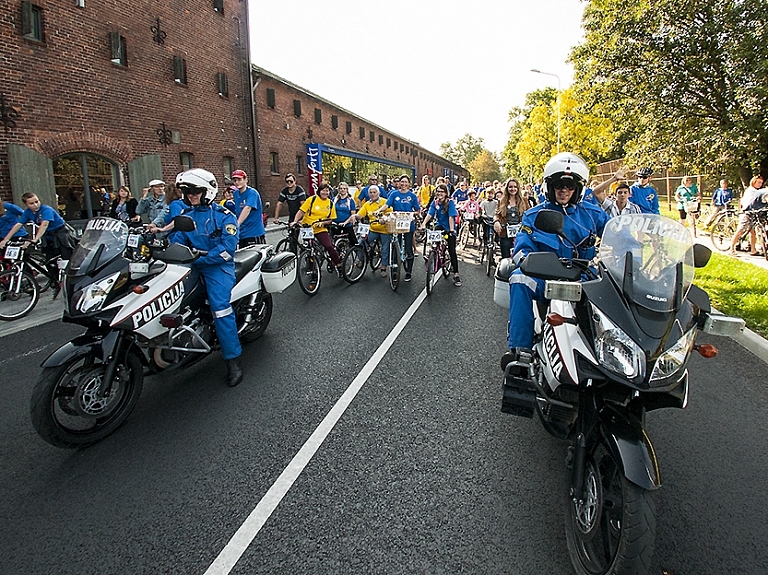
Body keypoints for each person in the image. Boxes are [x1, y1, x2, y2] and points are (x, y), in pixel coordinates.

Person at [504, 152, 609, 362]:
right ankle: (520, 349)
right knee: (519, 278)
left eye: (569, 186)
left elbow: (617, 234)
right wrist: (527, 261)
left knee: (614, 291)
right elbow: (522, 248)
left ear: (577, 188)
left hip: (583, 278)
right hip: (546, 278)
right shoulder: (533, 215)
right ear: (550, 187)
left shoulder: (592, 213)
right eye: (559, 185)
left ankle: (611, 354)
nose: (564, 190)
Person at [173, 168, 243, 387]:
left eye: (196, 191)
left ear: (208, 192)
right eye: (187, 191)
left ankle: (232, 360)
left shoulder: (225, 216)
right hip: (191, 266)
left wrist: (198, 260)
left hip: (218, 268)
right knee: (171, 299)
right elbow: (176, 241)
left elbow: (226, 250)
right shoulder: (185, 217)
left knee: (220, 308)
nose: (191, 195)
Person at [0, 192, 78, 297]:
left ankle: (73, 285)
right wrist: (6, 239)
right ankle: (56, 282)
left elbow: (44, 224)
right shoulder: (27, 213)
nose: (35, 205)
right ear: (26, 204)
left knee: (67, 259)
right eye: (31, 203)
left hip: (61, 233)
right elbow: (18, 224)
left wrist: (36, 238)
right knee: (49, 261)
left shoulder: (46, 210)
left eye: (36, 201)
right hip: (48, 236)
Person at [292, 182, 342, 276]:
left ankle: (338, 264)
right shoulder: (312, 199)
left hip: (320, 229)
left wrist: (322, 223)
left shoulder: (330, 203)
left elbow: (331, 220)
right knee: (308, 249)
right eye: (323, 190)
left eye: (327, 191)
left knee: (329, 246)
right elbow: (301, 211)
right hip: (308, 228)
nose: (325, 193)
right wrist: (295, 221)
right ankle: (312, 268)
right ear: (319, 191)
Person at [381, 174, 421, 281]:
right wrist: (379, 210)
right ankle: (395, 270)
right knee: (395, 247)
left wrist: (412, 214)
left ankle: (409, 271)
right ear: (399, 183)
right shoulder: (394, 194)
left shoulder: (412, 196)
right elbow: (387, 205)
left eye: (405, 182)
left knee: (408, 248)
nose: (403, 184)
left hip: (408, 225)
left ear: (409, 183)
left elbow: (417, 210)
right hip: (396, 225)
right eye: (401, 182)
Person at [421, 183, 461, 286]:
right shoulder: (435, 203)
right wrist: (424, 223)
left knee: (452, 250)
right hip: (440, 225)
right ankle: (435, 253)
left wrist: (451, 230)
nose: (439, 193)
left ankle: (456, 274)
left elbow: (451, 217)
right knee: (434, 241)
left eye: (441, 192)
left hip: (449, 227)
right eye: (438, 191)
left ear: (446, 193)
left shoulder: (450, 203)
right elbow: (430, 214)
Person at [354, 185, 391, 277]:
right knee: (361, 242)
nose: (372, 194)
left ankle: (383, 267)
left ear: (378, 193)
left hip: (385, 230)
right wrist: (354, 216)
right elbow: (360, 215)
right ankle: (361, 259)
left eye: (374, 192)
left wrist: (385, 218)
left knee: (385, 248)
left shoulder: (384, 202)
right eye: (370, 192)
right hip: (372, 229)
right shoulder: (367, 204)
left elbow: (391, 213)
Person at [494, 178, 531, 259]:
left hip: (521, 233)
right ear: (507, 188)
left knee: (521, 257)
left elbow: (529, 214)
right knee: (506, 257)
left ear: (518, 188)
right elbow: (497, 214)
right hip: (505, 233)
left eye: (515, 187)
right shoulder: (501, 201)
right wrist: (496, 222)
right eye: (510, 187)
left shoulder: (524, 201)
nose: (513, 189)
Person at [730, 175, 767, 256]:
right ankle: (731, 249)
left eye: (761, 183)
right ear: (754, 182)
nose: (760, 184)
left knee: (752, 233)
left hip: (752, 214)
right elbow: (759, 194)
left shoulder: (756, 191)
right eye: (759, 182)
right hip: (745, 214)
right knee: (740, 231)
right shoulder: (751, 190)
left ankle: (753, 250)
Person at [230, 169, 265, 247]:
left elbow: (247, 208)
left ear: (246, 179)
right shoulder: (236, 194)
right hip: (242, 233)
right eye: (235, 180)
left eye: (239, 180)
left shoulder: (252, 193)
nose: (237, 182)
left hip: (254, 232)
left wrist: (237, 224)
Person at [332, 181, 358, 247]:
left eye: (344, 188)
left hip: (347, 224)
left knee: (353, 242)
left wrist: (345, 223)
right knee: (335, 243)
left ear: (347, 189)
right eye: (341, 188)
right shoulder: (334, 199)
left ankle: (359, 255)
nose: (342, 190)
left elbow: (353, 215)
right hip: (336, 224)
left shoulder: (350, 200)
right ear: (338, 190)